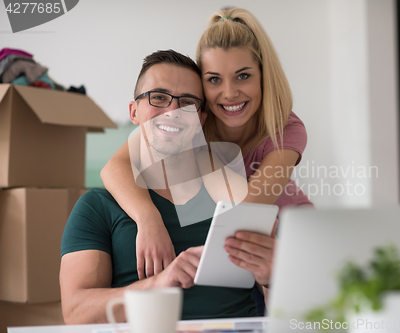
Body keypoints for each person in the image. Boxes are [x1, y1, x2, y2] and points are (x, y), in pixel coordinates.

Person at [60, 50, 276, 324]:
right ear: (134, 112)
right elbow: (76, 313)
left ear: (201, 120)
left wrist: (273, 276)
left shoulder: (233, 196)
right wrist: (157, 286)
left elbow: (282, 306)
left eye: (187, 102)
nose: (173, 112)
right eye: (158, 97)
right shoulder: (97, 206)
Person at [100, 8, 313, 284]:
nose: (229, 93)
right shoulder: (193, 118)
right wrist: (148, 219)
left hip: (284, 230)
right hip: (238, 240)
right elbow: (114, 166)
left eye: (243, 76)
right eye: (214, 79)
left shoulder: (284, 128)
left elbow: (244, 214)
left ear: (264, 76)